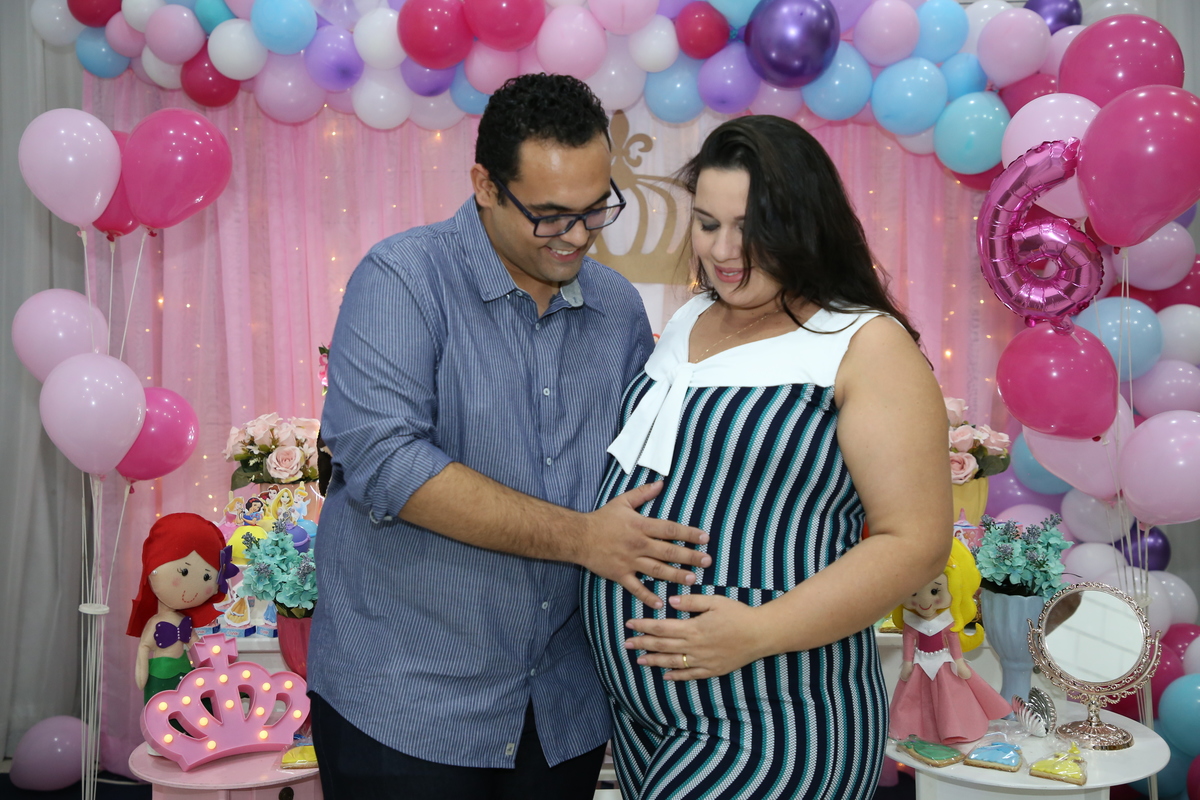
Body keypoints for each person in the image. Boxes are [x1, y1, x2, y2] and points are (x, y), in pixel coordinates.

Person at [308, 74, 710, 800]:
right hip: (408, 704)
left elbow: (643, 468)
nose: (578, 236)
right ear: (486, 186)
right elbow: (387, 462)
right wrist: (583, 538)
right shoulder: (404, 279)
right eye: (550, 216)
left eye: (596, 208)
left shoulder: (616, 309)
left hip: (561, 707)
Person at [581, 115, 953, 800]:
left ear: (804, 225)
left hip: (775, 713)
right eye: (707, 223)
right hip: (642, 718)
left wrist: (757, 631)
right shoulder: (691, 318)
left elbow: (917, 541)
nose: (724, 250)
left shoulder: (865, 344)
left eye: (749, 227)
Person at [888, 537, 1011, 744]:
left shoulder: (948, 622)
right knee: (915, 698)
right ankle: (914, 728)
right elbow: (908, 641)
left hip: (944, 662)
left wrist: (959, 662)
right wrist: (907, 663)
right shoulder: (911, 622)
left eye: (934, 591)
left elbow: (953, 642)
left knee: (950, 696)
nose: (925, 601)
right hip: (920, 663)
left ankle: (954, 728)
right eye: (914, 592)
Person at [126, 513, 233, 704]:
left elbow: (194, 645)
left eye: (207, 577)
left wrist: (211, 666)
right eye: (184, 571)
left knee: (190, 708)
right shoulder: (155, 623)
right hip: (159, 674)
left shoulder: (184, 622)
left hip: (185, 672)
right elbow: (144, 647)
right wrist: (142, 673)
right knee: (161, 710)